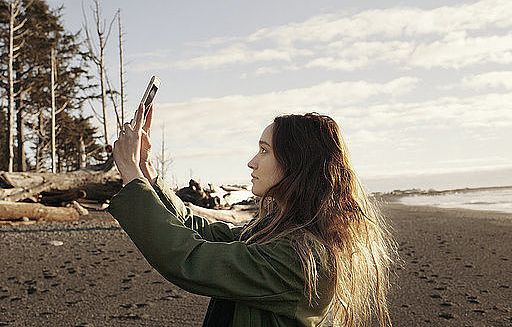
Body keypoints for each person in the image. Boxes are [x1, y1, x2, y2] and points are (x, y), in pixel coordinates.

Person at [110, 103, 395, 327]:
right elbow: (202, 234)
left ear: (296, 164)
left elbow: (189, 259)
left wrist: (131, 173)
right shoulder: (280, 229)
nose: (252, 162)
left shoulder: (301, 254)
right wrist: (145, 169)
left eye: (264, 150)